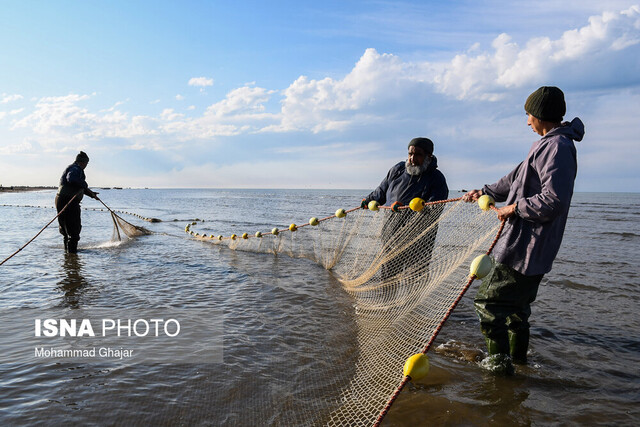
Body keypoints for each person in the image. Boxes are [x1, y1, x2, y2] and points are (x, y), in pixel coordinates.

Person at [463, 86, 584, 368]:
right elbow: (514, 180)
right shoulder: (546, 144)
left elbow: (553, 201)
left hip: (526, 249)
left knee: (489, 305)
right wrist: (484, 191)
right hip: (523, 245)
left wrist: (513, 208)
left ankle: (498, 372)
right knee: (516, 311)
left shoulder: (558, 148)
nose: (527, 121)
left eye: (529, 114)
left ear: (541, 115)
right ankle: (518, 368)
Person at [362, 137, 449, 281]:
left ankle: (413, 304)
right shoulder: (398, 169)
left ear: (429, 156)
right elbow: (381, 191)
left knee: (415, 279)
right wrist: (368, 200)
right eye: (410, 154)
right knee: (388, 277)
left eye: (418, 155)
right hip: (391, 234)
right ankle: (388, 303)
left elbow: (435, 208)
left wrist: (408, 208)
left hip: (419, 241)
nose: (412, 159)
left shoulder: (436, 178)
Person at [55, 151, 99, 254]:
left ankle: (68, 259)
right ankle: (73, 257)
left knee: (66, 231)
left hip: (61, 200)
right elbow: (72, 179)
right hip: (68, 202)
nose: (86, 166)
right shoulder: (75, 168)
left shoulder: (73, 168)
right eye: (86, 164)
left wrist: (92, 194)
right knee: (74, 232)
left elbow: (79, 187)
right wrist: (84, 183)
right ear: (82, 162)